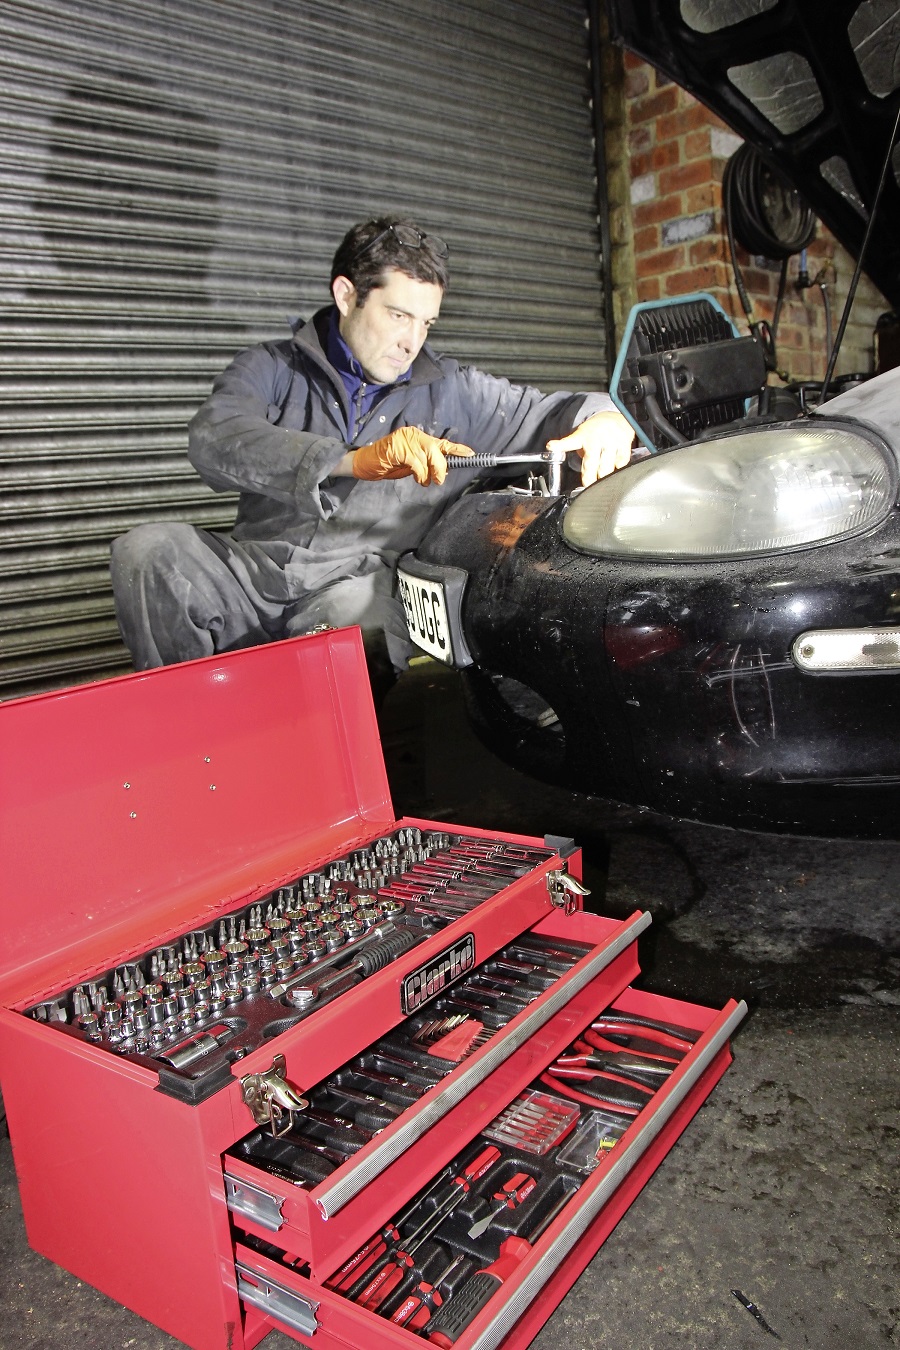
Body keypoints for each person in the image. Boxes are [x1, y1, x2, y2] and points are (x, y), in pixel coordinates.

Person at [110, 216, 634, 696]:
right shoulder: (272, 368)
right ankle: (197, 734)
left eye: (427, 323)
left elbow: (561, 409)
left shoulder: (457, 393)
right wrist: (352, 461)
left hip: (355, 583)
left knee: (356, 626)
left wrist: (609, 418)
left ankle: (325, 756)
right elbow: (214, 437)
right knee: (148, 551)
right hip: (252, 574)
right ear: (347, 295)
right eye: (399, 315)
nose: (412, 341)